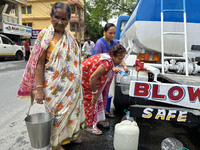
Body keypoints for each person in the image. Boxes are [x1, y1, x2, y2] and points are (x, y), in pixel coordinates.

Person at [17, 2, 85, 150]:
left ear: (68, 20)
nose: (60, 22)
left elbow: (75, 62)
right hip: (53, 86)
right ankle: (56, 144)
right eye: (57, 17)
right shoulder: (44, 36)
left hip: (71, 86)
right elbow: (39, 64)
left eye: (64, 19)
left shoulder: (70, 38)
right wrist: (39, 89)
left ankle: (68, 138)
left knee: (70, 114)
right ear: (51, 17)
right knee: (56, 116)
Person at [82, 44, 127, 135]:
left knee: (98, 100)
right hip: (86, 78)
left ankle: (97, 120)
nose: (121, 61)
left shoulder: (109, 59)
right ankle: (89, 125)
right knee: (91, 100)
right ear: (113, 55)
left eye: (122, 59)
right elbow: (93, 78)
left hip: (89, 77)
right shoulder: (106, 63)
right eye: (119, 58)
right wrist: (94, 93)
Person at [91, 23, 129, 118]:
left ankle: (103, 111)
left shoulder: (115, 43)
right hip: (100, 72)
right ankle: (96, 114)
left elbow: (119, 57)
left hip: (109, 73)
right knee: (98, 93)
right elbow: (96, 60)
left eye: (114, 33)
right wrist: (112, 67)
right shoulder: (100, 43)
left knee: (106, 92)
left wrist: (124, 66)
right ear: (104, 32)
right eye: (110, 33)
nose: (112, 35)